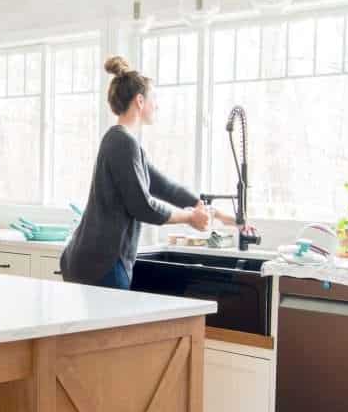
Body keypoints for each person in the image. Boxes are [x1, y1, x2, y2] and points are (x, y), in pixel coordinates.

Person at [61, 55, 234, 289]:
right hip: (102, 263)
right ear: (140, 101)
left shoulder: (124, 142)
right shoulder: (122, 143)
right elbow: (144, 206)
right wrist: (190, 217)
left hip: (92, 259)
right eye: (155, 99)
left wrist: (212, 211)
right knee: (117, 326)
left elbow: (163, 186)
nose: (157, 106)